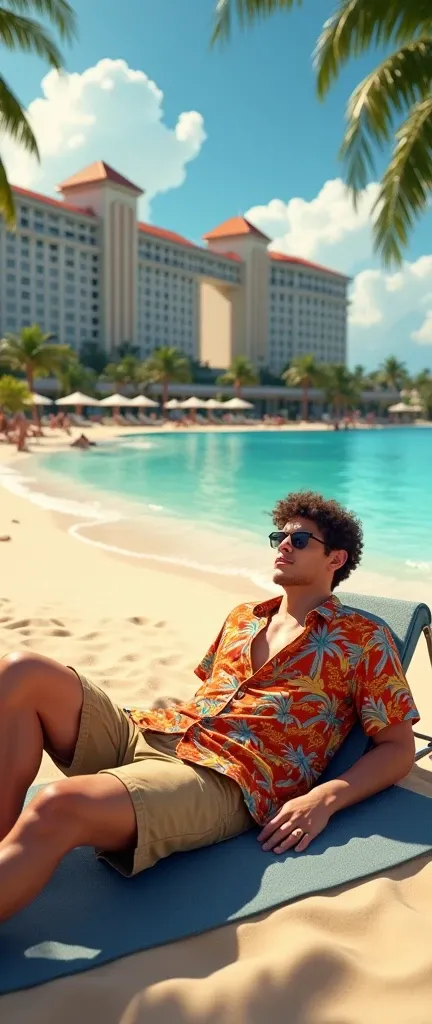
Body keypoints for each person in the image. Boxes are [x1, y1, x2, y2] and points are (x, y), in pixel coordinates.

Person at [0, 491, 418, 922]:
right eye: (279, 536)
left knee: (58, 804)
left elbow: (397, 748)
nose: (283, 546)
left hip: (222, 776)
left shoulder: (363, 639)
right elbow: (211, 696)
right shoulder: (243, 617)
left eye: (300, 540)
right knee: (22, 671)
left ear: (336, 559)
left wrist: (325, 798)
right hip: (156, 731)